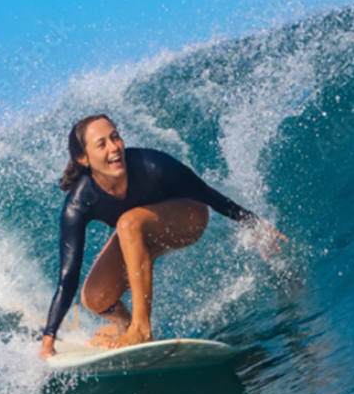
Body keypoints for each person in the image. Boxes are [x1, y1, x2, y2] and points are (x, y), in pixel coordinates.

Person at [40, 114, 286, 359]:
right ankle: (125, 325)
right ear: (83, 159)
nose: (114, 147)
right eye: (101, 144)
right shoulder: (79, 203)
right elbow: (68, 276)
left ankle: (141, 329)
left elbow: (207, 194)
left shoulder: (152, 165)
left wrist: (252, 223)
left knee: (127, 223)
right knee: (94, 298)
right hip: (139, 234)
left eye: (115, 137)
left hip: (187, 217)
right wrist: (48, 338)